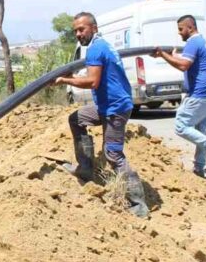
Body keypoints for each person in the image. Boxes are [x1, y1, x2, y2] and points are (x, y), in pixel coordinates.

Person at [53, 12, 149, 218]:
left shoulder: (96, 48)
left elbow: (92, 81)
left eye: (82, 29)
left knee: (113, 154)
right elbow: (94, 75)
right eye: (76, 31)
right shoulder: (101, 45)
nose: (78, 34)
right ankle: (85, 169)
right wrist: (71, 76)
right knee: (76, 119)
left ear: (94, 28)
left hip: (115, 108)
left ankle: (138, 204)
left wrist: (64, 81)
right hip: (108, 105)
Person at [152, 15, 206, 177]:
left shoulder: (193, 43)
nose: (179, 33)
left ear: (190, 27)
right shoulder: (202, 43)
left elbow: (184, 65)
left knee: (181, 125)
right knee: (200, 128)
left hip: (201, 93)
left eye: (181, 29)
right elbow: (191, 62)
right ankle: (198, 168)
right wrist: (173, 56)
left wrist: (163, 55)